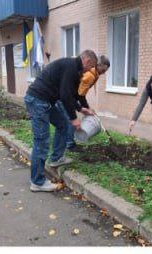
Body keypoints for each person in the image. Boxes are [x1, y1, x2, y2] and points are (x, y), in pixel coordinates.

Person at [26, 50, 98, 191]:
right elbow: (65, 95)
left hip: (46, 102)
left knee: (63, 125)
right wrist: (74, 118)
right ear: (87, 61)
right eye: (91, 66)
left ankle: (56, 158)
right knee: (41, 141)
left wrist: (81, 109)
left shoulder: (75, 70)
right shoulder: (71, 66)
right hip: (37, 100)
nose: (90, 70)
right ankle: (37, 182)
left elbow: (70, 94)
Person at [69, 55, 111, 151]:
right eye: (103, 70)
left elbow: (81, 93)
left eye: (105, 71)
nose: (103, 73)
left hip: (73, 95)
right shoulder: (90, 75)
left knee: (69, 119)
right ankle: (70, 145)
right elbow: (80, 94)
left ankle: (70, 142)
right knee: (70, 119)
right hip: (69, 96)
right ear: (98, 65)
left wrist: (87, 108)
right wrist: (86, 108)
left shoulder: (94, 74)